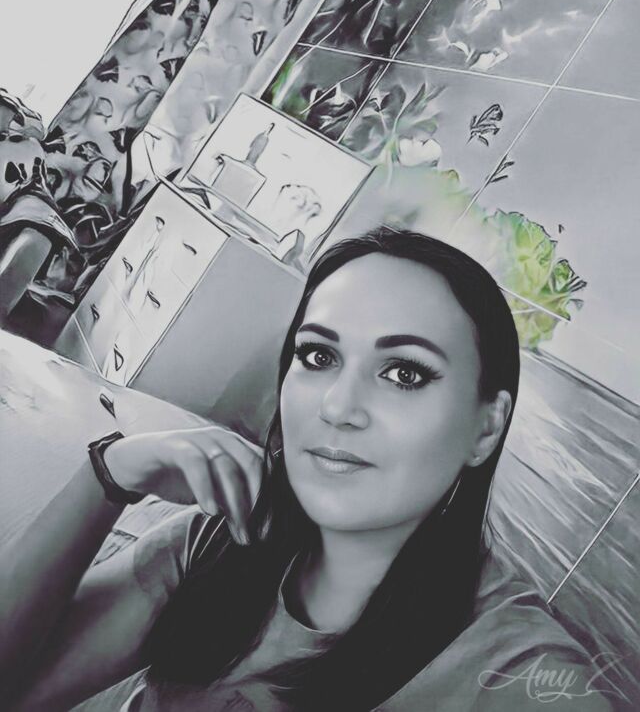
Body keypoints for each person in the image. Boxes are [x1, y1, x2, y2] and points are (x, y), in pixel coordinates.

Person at [0, 227, 618, 711]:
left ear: (486, 427)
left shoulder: (514, 670)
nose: (338, 408)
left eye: (404, 373)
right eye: (318, 356)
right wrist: (108, 474)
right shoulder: (219, 542)